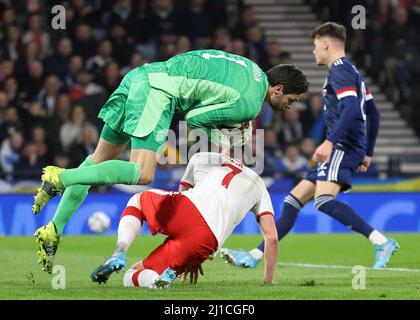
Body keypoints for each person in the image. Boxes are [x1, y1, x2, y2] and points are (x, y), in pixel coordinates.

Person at [32, 49, 308, 273]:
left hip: (140, 77)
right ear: (278, 88)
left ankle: (53, 229)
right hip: (157, 92)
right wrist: (227, 136)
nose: (290, 106)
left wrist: (232, 123)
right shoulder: (250, 104)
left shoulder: (249, 68)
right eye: (291, 100)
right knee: (142, 173)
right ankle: (60, 177)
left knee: (97, 162)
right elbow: (195, 119)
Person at [220, 22, 399, 271]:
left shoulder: (339, 71)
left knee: (324, 200)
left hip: (342, 146)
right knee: (292, 202)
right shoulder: (353, 72)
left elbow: (350, 109)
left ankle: (381, 241)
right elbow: (374, 113)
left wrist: (330, 141)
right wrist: (368, 152)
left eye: (315, 46)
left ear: (326, 44)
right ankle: (253, 255)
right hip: (349, 146)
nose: (314, 51)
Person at [90, 152, 278, 288]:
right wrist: (268, 281)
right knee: (132, 275)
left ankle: (120, 250)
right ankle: (155, 280)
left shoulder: (202, 157)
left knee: (137, 201)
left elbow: (182, 194)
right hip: (207, 241)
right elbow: (272, 238)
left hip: (187, 209)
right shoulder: (259, 184)